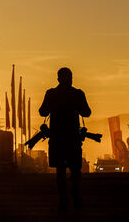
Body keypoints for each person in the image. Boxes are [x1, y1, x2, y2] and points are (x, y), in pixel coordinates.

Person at [39, 67, 91, 211]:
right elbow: (87, 113)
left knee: (60, 171)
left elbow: (42, 111)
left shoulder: (51, 94)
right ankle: (76, 198)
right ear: (71, 78)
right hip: (73, 139)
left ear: (58, 79)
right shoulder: (77, 94)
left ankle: (63, 200)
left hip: (57, 139)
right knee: (75, 171)